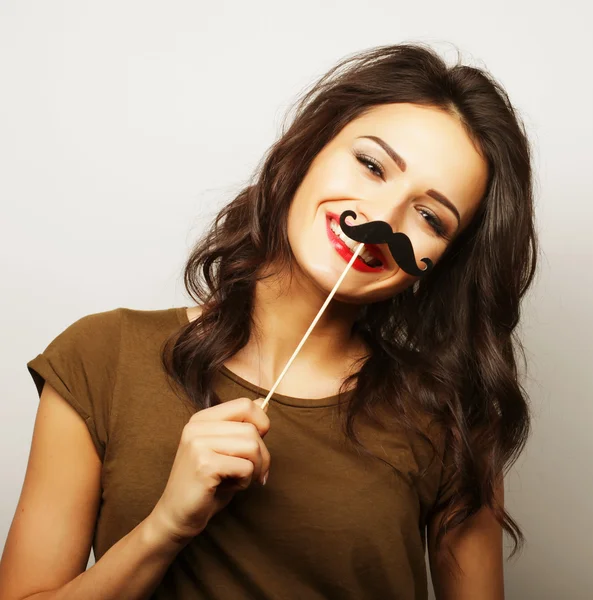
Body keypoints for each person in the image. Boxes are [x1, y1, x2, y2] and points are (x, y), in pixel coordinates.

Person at [0, 42, 538, 599]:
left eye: (429, 216)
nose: (381, 219)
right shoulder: (101, 357)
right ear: (309, 148)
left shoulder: (451, 416)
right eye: (372, 164)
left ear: (443, 262)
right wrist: (166, 528)